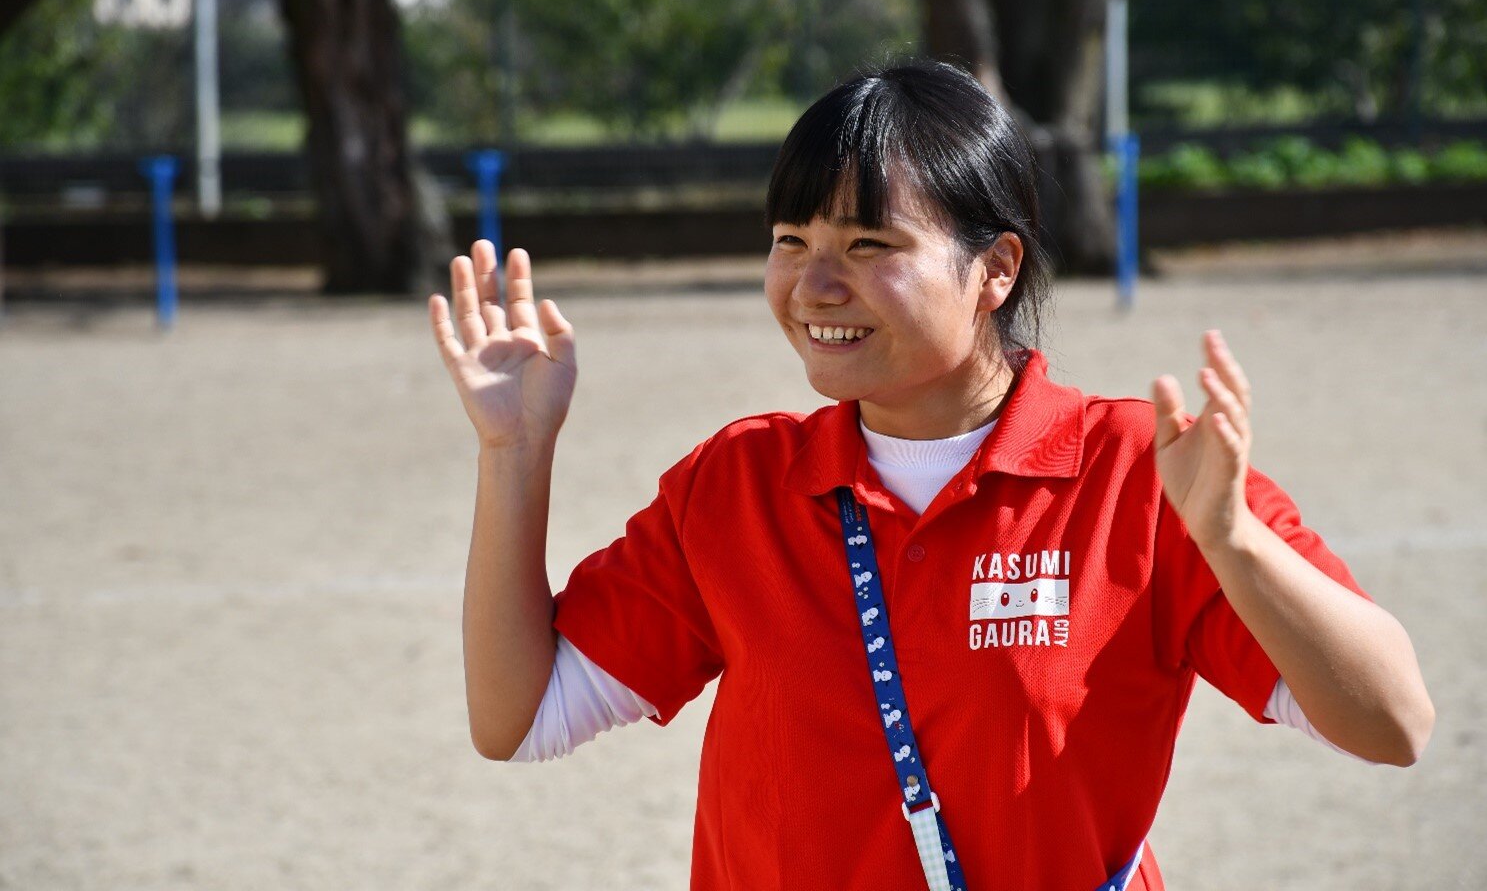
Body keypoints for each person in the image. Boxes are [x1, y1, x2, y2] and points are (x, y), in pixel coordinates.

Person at [428, 61, 1433, 891]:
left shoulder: (1140, 468)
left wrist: (1230, 538)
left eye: (869, 245)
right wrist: (513, 455)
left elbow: (1391, 723)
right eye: (792, 243)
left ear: (993, 269)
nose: (815, 284)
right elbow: (518, 716)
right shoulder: (733, 484)